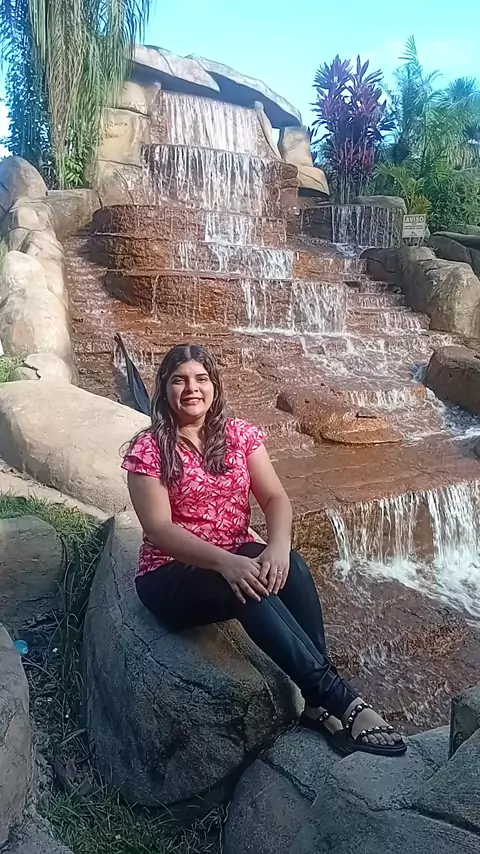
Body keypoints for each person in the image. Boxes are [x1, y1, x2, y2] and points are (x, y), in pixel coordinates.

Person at [122, 343, 406, 757]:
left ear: (215, 386)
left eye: (201, 379)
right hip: (170, 573)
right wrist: (228, 563)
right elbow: (159, 530)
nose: (191, 388)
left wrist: (277, 548)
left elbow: (274, 498)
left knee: (295, 569)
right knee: (247, 589)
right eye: (179, 380)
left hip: (233, 552)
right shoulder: (149, 450)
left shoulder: (239, 435)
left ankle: (315, 704)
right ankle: (342, 700)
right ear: (164, 388)